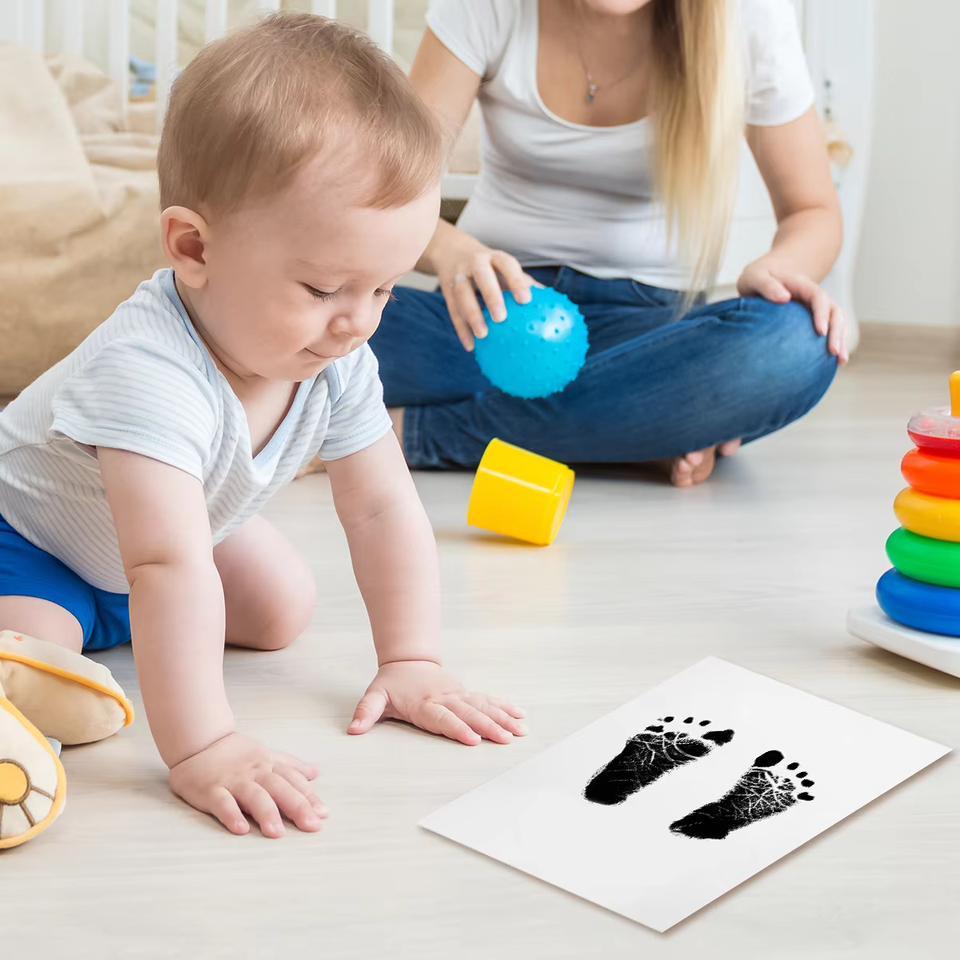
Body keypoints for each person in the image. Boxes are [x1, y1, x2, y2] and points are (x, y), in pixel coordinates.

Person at [0, 13, 525, 850]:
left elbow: (383, 509)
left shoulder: (336, 354)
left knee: (283, 607)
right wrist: (204, 745)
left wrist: (412, 659)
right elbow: (164, 566)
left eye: (385, 288)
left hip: (162, 539)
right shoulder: (147, 371)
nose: (359, 322)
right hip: (34, 541)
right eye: (323, 288)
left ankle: (112, 641)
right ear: (193, 247)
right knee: (43, 646)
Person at [369, 0, 847, 487]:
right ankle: (630, 430)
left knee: (795, 342)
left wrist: (777, 268)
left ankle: (411, 435)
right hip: (492, 319)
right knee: (335, 325)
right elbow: (391, 198)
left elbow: (813, 211)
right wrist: (450, 249)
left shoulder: (748, 14)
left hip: (651, 335)